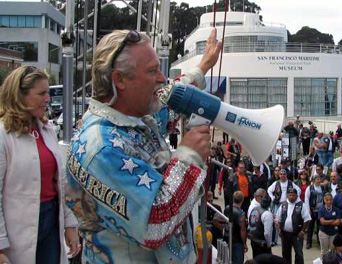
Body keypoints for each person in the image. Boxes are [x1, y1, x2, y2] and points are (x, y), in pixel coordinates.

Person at [64, 29, 222, 263]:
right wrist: (189, 157)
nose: (161, 78)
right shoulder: (101, 150)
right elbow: (154, 224)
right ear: (120, 80)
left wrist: (203, 67)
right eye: (152, 71)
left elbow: (168, 100)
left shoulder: (135, 118)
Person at [0, 66, 80, 263]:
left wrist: (70, 224)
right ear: (21, 96)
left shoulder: (47, 129)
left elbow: (62, 182)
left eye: (48, 93)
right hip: (16, 231)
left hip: (51, 221)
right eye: (41, 93)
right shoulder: (3, 135)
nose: (48, 99)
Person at [277, 188, 311, 264]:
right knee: (285, 253)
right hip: (285, 234)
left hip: (297, 234)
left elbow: (307, 219)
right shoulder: (283, 205)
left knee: (299, 253)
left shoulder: (301, 205)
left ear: (296, 196)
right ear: (287, 196)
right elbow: (278, 218)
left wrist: (302, 231)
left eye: (293, 195)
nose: (291, 197)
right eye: (290, 195)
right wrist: (279, 229)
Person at [304, 175, 327, 249]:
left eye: (319, 179)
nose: (319, 181)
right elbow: (306, 199)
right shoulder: (310, 188)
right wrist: (308, 210)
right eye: (317, 179)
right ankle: (308, 242)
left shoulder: (322, 188)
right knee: (310, 226)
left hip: (320, 210)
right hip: (312, 210)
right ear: (313, 180)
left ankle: (319, 241)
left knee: (319, 227)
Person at [225, 191, 248, 264]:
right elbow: (243, 230)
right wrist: (244, 244)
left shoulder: (227, 208)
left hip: (227, 238)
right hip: (237, 242)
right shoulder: (241, 214)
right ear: (242, 200)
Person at [318, 193, 341, 257]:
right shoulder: (321, 209)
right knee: (324, 251)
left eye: (330, 200)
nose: (329, 201)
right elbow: (322, 221)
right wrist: (332, 221)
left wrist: (327, 222)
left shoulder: (336, 209)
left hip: (334, 233)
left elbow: (338, 222)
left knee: (333, 251)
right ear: (324, 200)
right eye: (327, 200)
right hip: (324, 232)